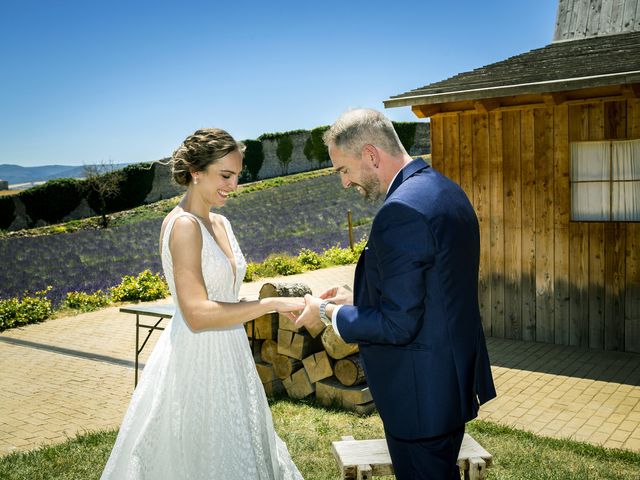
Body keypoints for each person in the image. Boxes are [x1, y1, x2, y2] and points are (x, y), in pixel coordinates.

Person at [294, 109, 496, 480]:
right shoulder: (445, 191)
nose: (344, 182)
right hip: (447, 386)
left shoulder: (400, 210)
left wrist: (326, 311)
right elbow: (432, 289)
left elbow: (397, 325)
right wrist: (356, 298)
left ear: (370, 155)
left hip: (419, 399)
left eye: (343, 169)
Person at [102, 128, 304, 479]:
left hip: (231, 353)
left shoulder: (222, 222)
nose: (233, 185)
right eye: (225, 175)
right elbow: (196, 314)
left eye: (237, 176)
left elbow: (222, 298)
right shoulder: (183, 226)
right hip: (195, 358)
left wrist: (262, 305)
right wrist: (267, 305)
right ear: (195, 172)